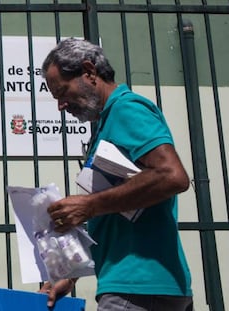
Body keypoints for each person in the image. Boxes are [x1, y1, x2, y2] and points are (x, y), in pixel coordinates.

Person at [38, 38, 193, 311]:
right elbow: (114, 215)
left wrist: (89, 204)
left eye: (62, 92)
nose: (61, 105)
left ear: (89, 72)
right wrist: (70, 274)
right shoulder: (105, 123)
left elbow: (172, 175)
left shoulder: (126, 108)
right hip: (139, 285)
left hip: (137, 286)